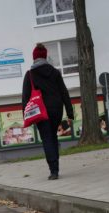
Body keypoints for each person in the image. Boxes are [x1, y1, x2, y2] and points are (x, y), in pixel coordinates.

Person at [22, 43, 74, 180]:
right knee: (53, 136)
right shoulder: (55, 73)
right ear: (45, 57)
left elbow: (25, 97)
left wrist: (26, 117)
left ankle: (53, 170)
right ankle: (56, 167)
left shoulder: (30, 75)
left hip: (40, 111)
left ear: (34, 58)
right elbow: (64, 93)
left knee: (47, 138)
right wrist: (70, 114)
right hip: (56, 109)